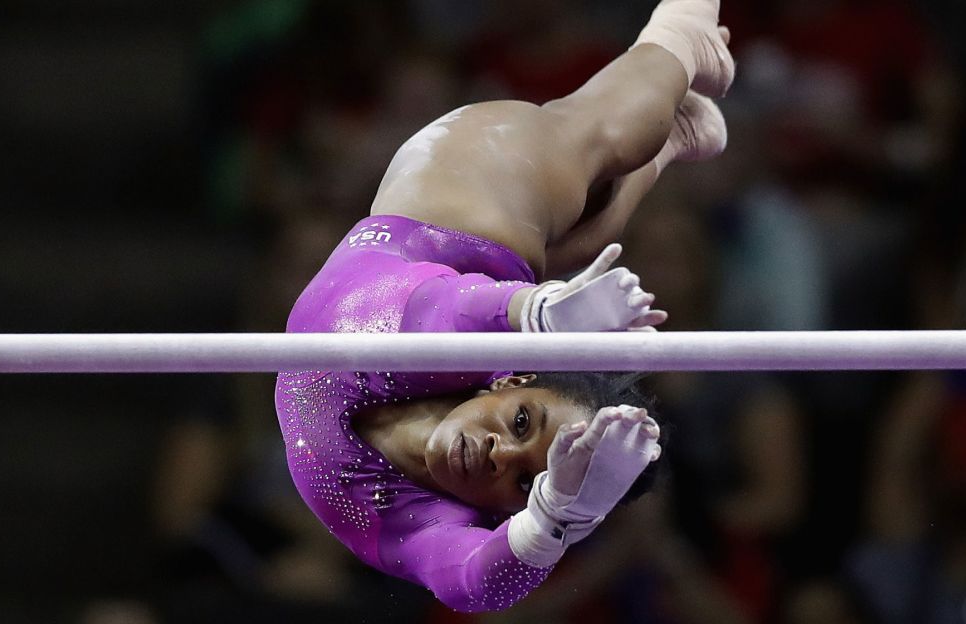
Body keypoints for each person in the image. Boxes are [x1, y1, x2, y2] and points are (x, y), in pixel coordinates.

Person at [274, 0, 736, 612]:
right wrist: (536, 314)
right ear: (511, 375)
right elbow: (428, 312)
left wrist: (559, 516)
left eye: (525, 483)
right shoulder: (452, 343)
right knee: (609, 135)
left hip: (464, 243)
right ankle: (682, 33)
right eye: (523, 422)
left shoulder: (394, 510)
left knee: (578, 231)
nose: (501, 455)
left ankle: (668, 143)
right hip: (469, 184)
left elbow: (473, 585)